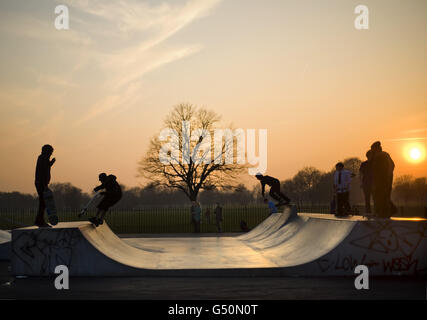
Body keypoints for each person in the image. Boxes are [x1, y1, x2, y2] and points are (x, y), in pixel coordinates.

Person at [370, 141, 396, 218]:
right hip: (384, 179)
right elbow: (392, 165)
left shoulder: (380, 156)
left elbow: (380, 169)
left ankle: (385, 212)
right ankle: (386, 211)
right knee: (384, 196)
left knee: (381, 196)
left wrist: (386, 178)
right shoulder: (384, 155)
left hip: (382, 180)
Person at [34, 144, 56, 228]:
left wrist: (51, 163)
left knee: (43, 202)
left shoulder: (43, 158)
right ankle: (39, 221)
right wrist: (44, 185)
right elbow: (43, 170)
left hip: (42, 183)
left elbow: (45, 167)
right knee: (43, 202)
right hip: (41, 183)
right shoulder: (43, 158)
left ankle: (39, 220)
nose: (51, 154)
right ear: (46, 151)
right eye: (50, 152)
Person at [359, 150, 373, 214]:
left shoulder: (375, 163)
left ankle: (377, 211)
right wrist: (361, 183)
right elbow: (361, 174)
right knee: (367, 199)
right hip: (366, 183)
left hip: (374, 183)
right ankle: (368, 212)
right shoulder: (364, 164)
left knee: (376, 198)